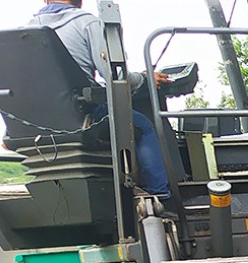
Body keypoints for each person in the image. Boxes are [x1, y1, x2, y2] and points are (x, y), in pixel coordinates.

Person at [31, 0, 173, 199]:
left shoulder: (24, 32)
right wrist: (145, 77)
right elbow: (115, 76)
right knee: (143, 127)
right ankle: (160, 194)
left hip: (35, 121)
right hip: (82, 114)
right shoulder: (87, 23)